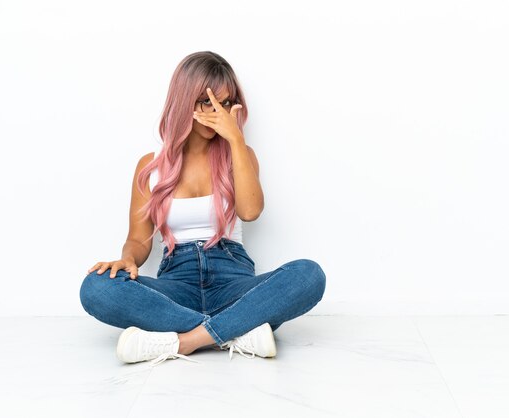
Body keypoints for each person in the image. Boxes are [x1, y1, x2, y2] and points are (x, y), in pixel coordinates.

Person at [79, 51, 326, 367]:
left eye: (225, 104)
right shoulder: (150, 167)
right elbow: (139, 240)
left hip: (233, 280)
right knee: (97, 288)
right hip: (175, 286)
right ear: (185, 102)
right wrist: (127, 259)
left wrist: (235, 139)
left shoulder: (241, 155)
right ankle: (237, 329)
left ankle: (186, 341)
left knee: (308, 275)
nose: (217, 113)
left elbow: (250, 211)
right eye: (207, 102)